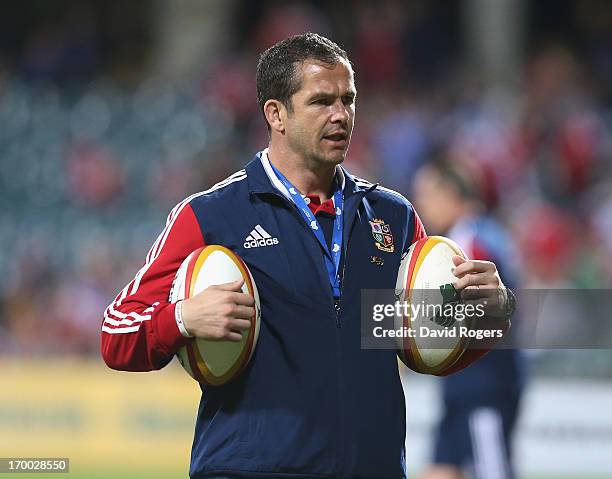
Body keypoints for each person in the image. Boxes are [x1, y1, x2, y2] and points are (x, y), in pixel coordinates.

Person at [101, 33, 513, 479]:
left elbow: (423, 346)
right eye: (321, 101)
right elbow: (115, 335)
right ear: (276, 114)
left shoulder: (393, 217)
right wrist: (181, 318)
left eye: (349, 99)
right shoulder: (213, 215)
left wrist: (489, 314)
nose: (341, 115)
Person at [413, 159, 525, 479]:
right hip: (464, 385)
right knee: (438, 471)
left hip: (482, 386)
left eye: (427, 194)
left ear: (450, 196)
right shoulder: (477, 235)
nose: (420, 203)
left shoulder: (468, 245)